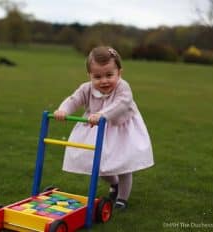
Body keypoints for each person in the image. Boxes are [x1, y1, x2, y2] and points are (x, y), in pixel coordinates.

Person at [54, 46, 154, 210]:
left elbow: (122, 104)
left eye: (109, 75)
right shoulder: (86, 88)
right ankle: (114, 184)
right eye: (98, 76)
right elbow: (74, 99)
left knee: (123, 165)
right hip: (98, 129)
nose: (104, 81)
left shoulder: (123, 87)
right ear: (90, 76)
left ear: (119, 73)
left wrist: (102, 114)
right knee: (99, 165)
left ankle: (122, 198)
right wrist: (63, 110)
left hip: (122, 130)